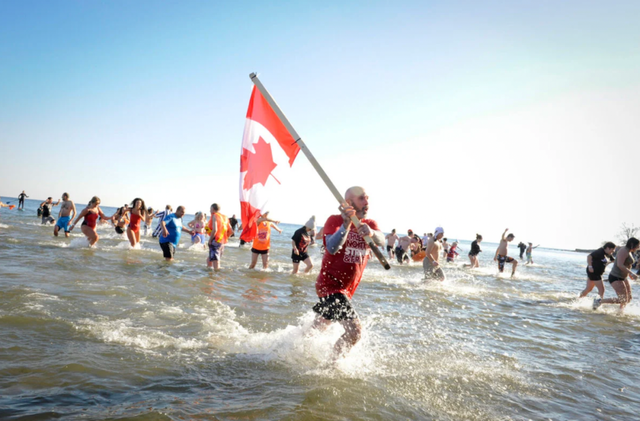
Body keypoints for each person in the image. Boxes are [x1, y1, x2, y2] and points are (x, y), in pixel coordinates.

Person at [310, 186, 384, 359]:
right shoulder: (334, 220)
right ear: (349, 203)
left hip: (347, 289)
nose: (367, 203)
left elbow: (381, 240)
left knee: (319, 327)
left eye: (367, 199)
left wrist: (372, 233)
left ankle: (290, 347)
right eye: (362, 199)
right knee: (355, 332)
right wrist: (345, 225)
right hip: (330, 285)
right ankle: (330, 367)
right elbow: (332, 247)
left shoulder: (370, 224)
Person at [594, 238, 639, 311]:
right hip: (616, 277)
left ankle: (620, 313)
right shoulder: (623, 250)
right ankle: (599, 301)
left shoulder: (629, 251)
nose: (638, 247)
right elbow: (620, 265)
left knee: (628, 299)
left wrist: (630, 275)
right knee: (623, 299)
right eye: (637, 246)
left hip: (623, 277)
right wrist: (632, 273)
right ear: (632, 244)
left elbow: (627, 264)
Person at [207, 203, 232, 270]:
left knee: (215, 262)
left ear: (212, 209)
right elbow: (231, 231)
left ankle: (215, 277)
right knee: (210, 258)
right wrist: (225, 238)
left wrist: (210, 240)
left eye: (210, 209)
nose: (210, 211)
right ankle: (209, 272)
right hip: (222, 242)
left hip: (215, 240)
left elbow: (215, 230)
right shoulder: (225, 217)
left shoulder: (214, 215)